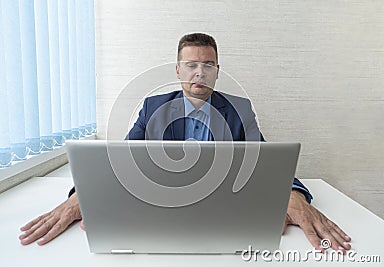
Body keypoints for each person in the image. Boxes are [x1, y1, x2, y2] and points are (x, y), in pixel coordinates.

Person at [20, 33, 351, 253]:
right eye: (191, 65)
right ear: (178, 70)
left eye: (207, 66)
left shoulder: (239, 109)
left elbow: (267, 162)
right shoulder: (153, 106)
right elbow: (118, 161)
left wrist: (291, 194)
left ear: (217, 72)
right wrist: (83, 196)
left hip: (224, 216)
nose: (199, 73)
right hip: (159, 212)